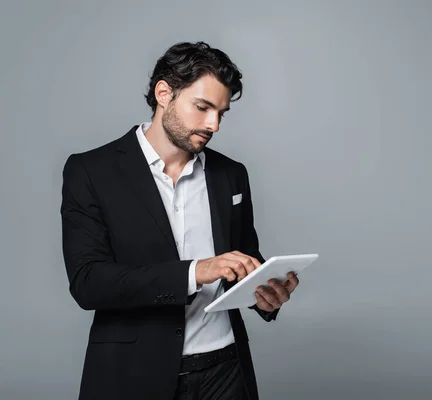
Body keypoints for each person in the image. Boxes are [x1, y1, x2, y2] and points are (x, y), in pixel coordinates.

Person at [60, 41, 299, 400]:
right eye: (202, 107)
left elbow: (243, 259)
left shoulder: (231, 174)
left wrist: (263, 295)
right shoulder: (91, 171)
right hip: (134, 373)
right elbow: (88, 282)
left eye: (221, 112)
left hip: (226, 371)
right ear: (164, 93)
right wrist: (194, 271)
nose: (213, 124)